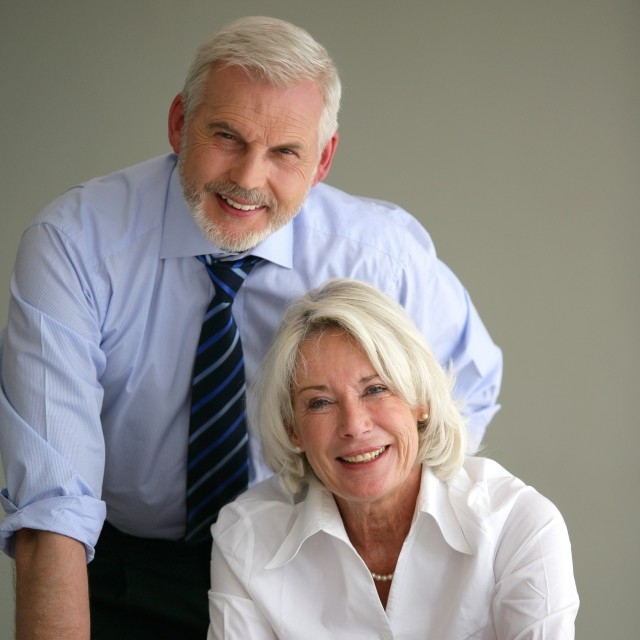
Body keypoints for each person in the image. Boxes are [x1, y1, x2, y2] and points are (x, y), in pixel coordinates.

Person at [0, 15, 502, 640]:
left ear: (322, 159)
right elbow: (52, 508)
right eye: (226, 136)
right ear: (179, 123)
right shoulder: (74, 246)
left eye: (284, 152)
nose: (247, 178)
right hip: (127, 572)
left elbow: (465, 391)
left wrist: (372, 535)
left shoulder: (381, 259)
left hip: (312, 568)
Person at [209, 278, 578, 639]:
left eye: (375, 389)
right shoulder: (247, 539)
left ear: (421, 401)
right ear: (293, 429)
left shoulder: (517, 524)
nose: (354, 426)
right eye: (320, 402)